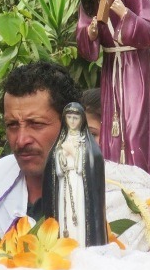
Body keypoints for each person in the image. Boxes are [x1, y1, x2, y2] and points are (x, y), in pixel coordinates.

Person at [0, 61, 83, 244]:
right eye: (12, 125)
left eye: (36, 124)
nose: (21, 140)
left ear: (71, 124)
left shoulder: (109, 192)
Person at [68, 0, 150, 181]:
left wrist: (126, 16)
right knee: (113, 125)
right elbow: (85, 39)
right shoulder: (89, 3)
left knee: (134, 123)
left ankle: (141, 178)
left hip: (135, 64)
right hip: (111, 67)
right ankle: (114, 178)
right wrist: (90, 34)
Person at [43, 102, 107, 247]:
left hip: (80, 185)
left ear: (82, 120)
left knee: (79, 215)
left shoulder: (87, 143)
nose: (72, 121)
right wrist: (60, 156)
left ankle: (82, 244)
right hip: (64, 182)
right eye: (69, 117)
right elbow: (55, 169)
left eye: (75, 118)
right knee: (64, 214)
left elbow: (88, 166)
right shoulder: (60, 142)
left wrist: (74, 153)